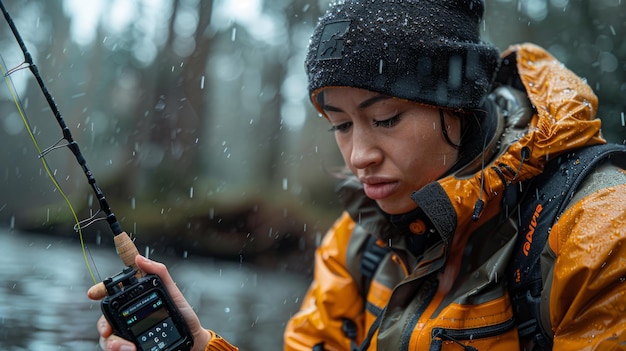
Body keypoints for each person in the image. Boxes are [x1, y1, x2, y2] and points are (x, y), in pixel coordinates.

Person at [90, 0, 626, 350]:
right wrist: (199, 346)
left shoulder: (600, 234)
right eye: (340, 126)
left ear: (462, 107)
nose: (359, 156)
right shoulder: (358, 239)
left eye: (385, 119)